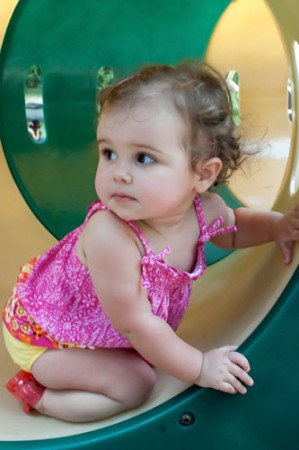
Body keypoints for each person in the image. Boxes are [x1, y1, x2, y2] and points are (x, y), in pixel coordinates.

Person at [2, 61, 299, 423]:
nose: (119, 172)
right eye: (108, 152)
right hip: (45, 336)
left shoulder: (204, 210)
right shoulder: (110, 235)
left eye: (144, 158)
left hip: (106, 332)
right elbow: (136, 324)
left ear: (203, 174)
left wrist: (277, 228)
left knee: (142, 364)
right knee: (135, 384)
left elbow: (235, 229)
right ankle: (40, 396)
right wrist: (200, 366)